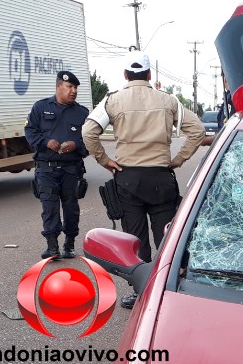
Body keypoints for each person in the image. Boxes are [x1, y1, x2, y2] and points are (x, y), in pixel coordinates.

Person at [83, 51, 206, 306]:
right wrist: (179, 158)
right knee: (166, 237)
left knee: (135, 238)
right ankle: (167, 290)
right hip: (161, 178)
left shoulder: (113, 101)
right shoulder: (168, 100)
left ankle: (141, 292)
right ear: (149, 75)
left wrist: (105, 161)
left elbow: (88, 132)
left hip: (128, 178)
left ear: (125, 75)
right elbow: (197, 130)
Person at [25, 71, 89, 259]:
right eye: (69, 87)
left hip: (71, 169)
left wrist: (76, 144)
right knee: (49, 206)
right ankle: (52, 246)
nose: (73, 91)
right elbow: (30, 132)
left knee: (71, 207)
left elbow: (91, 140)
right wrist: (46, 142)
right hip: (47, 168)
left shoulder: (82, 112)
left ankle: (69, 244)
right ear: (58, 86)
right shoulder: (40, 107)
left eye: (75, 87)